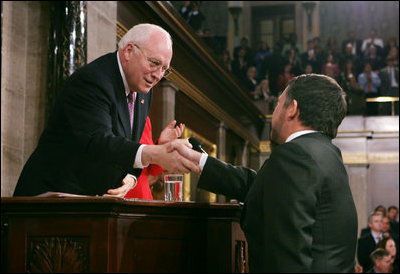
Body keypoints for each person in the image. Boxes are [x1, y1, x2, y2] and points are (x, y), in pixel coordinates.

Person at [172, 74, 358, 272]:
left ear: (292, 109)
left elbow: (287, 258)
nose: (274, 112)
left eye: (278, 104)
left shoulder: (294, 155)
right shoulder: (326, 153)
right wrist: (201, 162)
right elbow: (265, 187)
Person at [13, 23, 199, 197]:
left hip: (93, 202)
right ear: (128, 51)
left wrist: (131, 179)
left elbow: (128, 147)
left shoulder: (143, 91)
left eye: (164, 69)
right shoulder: (93, 81)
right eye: (154, 63)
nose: (158, 75)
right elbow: (99, 142)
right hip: (51, 198)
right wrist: (156, 153)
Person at [124, 117, 184, 199]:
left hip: (144, 198)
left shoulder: (145, 119)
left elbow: (152, 170)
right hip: (121, 195)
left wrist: (162, 146)